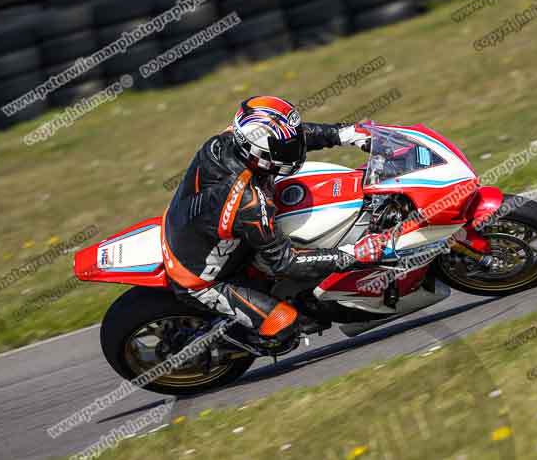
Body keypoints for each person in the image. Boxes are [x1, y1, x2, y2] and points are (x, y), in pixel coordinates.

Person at [161, 95, 389, 348]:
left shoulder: (229, 140)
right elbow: (285, 262)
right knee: (284, 325)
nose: (297, 149)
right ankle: (231, 337)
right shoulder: (248, 202)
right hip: (202, 278)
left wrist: (346, 134)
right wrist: (351, 254)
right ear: (258, 153)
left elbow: (292, 136)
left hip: (195, 227)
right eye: (287, 149)